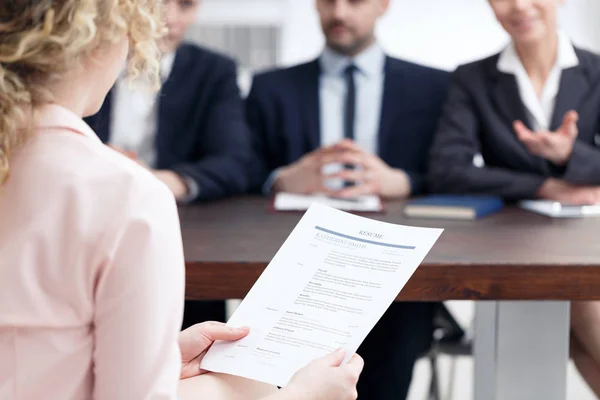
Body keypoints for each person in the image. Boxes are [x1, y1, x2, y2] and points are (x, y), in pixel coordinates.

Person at [0, 1, 363, 399]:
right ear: (105, 39)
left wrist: (161, 354)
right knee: (251, 387)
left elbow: (34, 355)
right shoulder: (129, 198)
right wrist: (302, 396)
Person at [246, 0, 449, 398]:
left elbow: (453, 172)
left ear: (384, 5)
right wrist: (282, 178)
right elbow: (238, 167)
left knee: (387, 367)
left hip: (395, 265)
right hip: (292, 262)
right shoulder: (271, 87)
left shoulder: (435, 87)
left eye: (354, 1)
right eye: (327, 1)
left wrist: (404, 181)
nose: (339, 13)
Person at [428, 0, 600, 395]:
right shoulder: (472, 78)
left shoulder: (596, 70)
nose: (519, 5)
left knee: (578, 310)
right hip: (511, 244)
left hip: (586, 240)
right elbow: (447, 169)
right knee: (571, 317)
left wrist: (570, 155)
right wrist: (542, 185)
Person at [86, 0, 255, 327]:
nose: (169, 17)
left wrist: (156, 182)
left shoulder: (214, 70)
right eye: (157, 3)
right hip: (93, 211)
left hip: (180, 226)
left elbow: (237, 162)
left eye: (186, 5)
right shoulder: (85, 60)